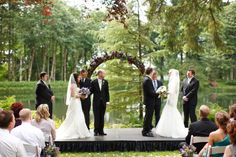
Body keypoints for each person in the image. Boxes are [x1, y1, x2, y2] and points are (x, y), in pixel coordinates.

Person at [56, 73, 91, 140]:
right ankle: (75, 131)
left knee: (78, 115)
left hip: (77, 102)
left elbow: (76, 93)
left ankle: (79, 130)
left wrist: (82, 94)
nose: (79, 79)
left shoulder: (75, 85)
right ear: (75, 78)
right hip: (75, 102)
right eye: (78, 78)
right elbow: (73, 95)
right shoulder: (73, 85)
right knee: (75, 115)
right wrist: (82, 95)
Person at [155, 69, 188, 138]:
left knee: (170, 112)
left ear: (172, 73)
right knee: (171, 112)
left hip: (171, 99)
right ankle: (171, 129)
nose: (169, 74)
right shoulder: (174, 80)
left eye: (169, 73)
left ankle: (170, 130)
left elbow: (172, 91)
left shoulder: (173, 80)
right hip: (172, 98)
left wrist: (164, 92)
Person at [90, 69, 110, 136]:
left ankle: (101, 131)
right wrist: (85, 94)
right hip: (96, 103)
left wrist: (107, 101)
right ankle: (96, 131)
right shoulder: (93, 82)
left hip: (103, 102)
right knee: (96, 117)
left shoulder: (106, 82)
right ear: (100, 74)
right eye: (104, 73)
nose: (104, 75)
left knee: (102, 117)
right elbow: (91, 91)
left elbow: (107, 92)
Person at [142, 67, 156, 137]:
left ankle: (147, 129)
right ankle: (145, 131)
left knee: (148, 116)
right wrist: (159, 93)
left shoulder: (147, 79)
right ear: (151, 72)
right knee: (148, 116)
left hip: (149, 101)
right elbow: (151, 92)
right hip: (149, 101)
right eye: (153, 71)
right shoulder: (147, 80)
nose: (154, 72)